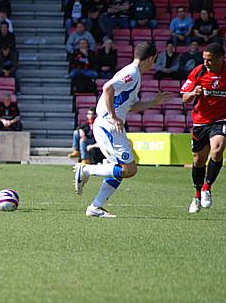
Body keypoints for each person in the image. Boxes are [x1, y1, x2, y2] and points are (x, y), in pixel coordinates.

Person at [74, 42, 172, 218]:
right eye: (154, 60)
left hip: (110, 125)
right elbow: (107, 88)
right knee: (129, 169)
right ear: (150, 58)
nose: (153, 64)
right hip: (109, 126)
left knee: (120, 170)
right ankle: (86, 170)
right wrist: (113, 116)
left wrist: (153, 103)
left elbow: (128, 107)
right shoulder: (132, 73)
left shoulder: (134, 74)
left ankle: (95, 207)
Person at [181, 43, 226, 214]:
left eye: (210, 60)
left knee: (217, 149)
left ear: (221, 58)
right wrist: (193, 94)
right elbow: (184, 98)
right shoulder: (198, 71)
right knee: (198, 161)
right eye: (204, 59)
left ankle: (207, 187)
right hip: (201, 121)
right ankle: (197, 194)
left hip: (221, 119)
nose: (206, 62)